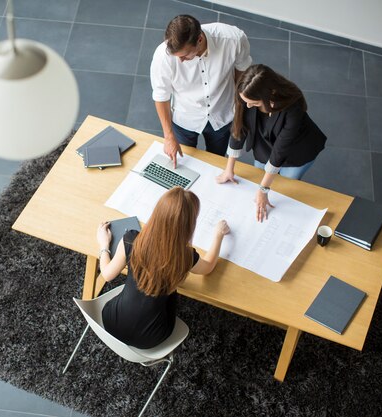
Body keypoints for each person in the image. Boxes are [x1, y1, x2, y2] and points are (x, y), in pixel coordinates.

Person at [95, 187, 230, 349]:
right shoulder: (185, 256)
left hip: (111, 321)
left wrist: (104, 244)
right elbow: (208, 267)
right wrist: (218, 235)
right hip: (151, 338)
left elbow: (107, 274)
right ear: (189, 225)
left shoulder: (132, 240)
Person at [215, 64, 327, 222]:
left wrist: (264, 189)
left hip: (297, 150)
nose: (247, 106)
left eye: (253, 103)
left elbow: (281, 149)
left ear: (270, 94)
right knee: (260, 176)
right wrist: (229, 169)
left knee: (284, 187)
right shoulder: (248, 95)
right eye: (245, 101)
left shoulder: (293, 107)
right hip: (265, 143)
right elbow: (239, 128)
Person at [150, 15, 252, 167]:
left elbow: (242, 73)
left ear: (199, 40)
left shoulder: (233, 39)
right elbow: (161, 96)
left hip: (222, 114)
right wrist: (168, 136)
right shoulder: (162, 56)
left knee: (214, 162)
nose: (181, 61)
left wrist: (239, 109)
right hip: (185, 117)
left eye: (184, 56)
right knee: (183, 162)